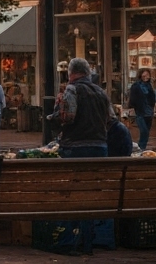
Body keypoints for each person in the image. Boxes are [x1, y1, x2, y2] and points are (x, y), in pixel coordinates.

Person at [51, 57, 112, 256]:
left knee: (72, 194)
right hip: (99, 148)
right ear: (88, 72)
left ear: (71, 73)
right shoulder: (101, 92)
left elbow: (67, 117)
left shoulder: (72, 89)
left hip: (76, 148)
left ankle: (67, 241)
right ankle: (89, 240)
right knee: (91, 194)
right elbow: (111, 119)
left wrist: (57, 109)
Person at [127, 69, 156, 151]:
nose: (146, 77)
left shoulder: (149, 86)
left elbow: (152, 98)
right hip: (140, 112)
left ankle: (142, 148)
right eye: (144, 75)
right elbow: (133, 98)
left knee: (147, 132)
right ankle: (141, 147)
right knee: (144, 131)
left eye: (147, 75)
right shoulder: (136, 86)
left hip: (149, 112)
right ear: (141, 75)